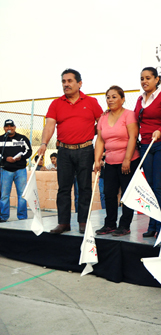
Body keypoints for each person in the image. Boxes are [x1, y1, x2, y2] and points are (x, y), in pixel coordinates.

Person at [38, 69, 103, 234]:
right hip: (64, 151)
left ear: (79, 83)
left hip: (85, 150)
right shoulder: (56, 103)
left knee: (84, 188)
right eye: (63, 81)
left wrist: (90, 133)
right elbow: (50, 125)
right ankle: (63, 223)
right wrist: (44, 143)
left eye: (69, 81)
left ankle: (83, 222)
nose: (66, 84)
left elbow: (102, 124)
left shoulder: (92, 102)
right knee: (63, 189)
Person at [94, 86, 140, 236]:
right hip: (110, 162)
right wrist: (97, 160)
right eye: (108, 97)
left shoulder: (129, 115)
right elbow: (100, 140)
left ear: (122, 99)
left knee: (126, 194)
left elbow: (133, 137)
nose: (110, 100)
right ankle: (110, 224)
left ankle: (125, 225)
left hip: (128, 161)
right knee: (109, 193)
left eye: (114, 97)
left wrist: (127, 159)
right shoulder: (103, 118)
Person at [135, 67, 161, 238]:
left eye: (148, 78)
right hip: (145, 146)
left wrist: (160, 130)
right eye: (142, 78)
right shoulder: (139, 99)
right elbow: (134, 119)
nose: (145, 81)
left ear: (157, 79)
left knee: (160, 186)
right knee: (150, 187)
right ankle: (152, 224)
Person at [0, 119, 32, 222]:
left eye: (11, 126)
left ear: (15, 127)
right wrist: (5, 159)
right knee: (4, 195)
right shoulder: (1, 139)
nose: (9, 128)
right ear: (4, 128)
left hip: (20, 170)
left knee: (22, 195)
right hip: (5, 170)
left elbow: (29, 151)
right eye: (7, 126)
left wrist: (21, 157)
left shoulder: (22, 138)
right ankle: (3, 217)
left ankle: (22, 217)